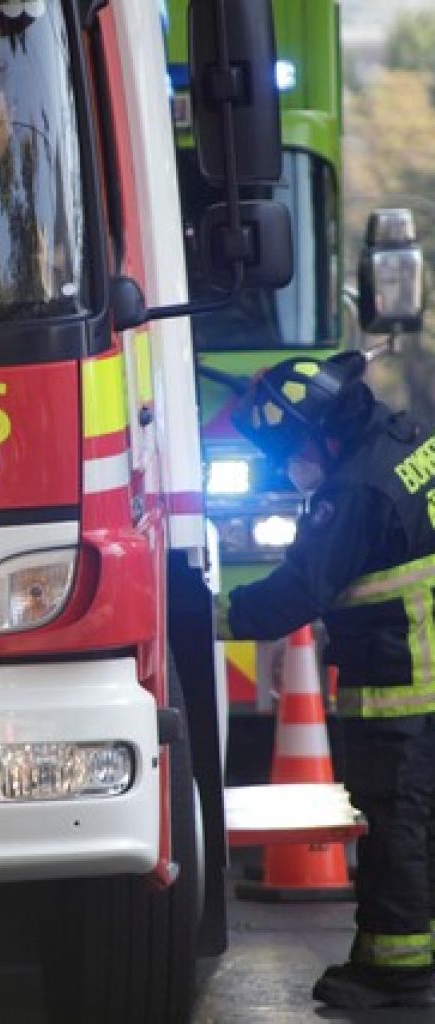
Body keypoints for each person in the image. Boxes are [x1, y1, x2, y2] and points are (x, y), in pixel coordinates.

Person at [222, 351, 435, 1010]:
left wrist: (203, 612)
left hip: (402, 680)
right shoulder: (409, 441)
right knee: (415, 821)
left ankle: (399, 974)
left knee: (396, 822)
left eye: (289, 453)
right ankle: (384, 954)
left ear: (318, 433)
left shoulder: (352, 492)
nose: (291, 469)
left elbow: (295, 592)